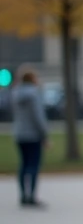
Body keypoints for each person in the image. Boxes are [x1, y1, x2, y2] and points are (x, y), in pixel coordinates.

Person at [13, 71, 49, 208]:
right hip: (33, 135)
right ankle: (32, 196)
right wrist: (44, 134)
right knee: (33, 165)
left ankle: (23, 195)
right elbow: (38, 117)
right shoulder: (34, 95)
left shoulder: (15, 94)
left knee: (23, 164)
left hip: (20, 134)